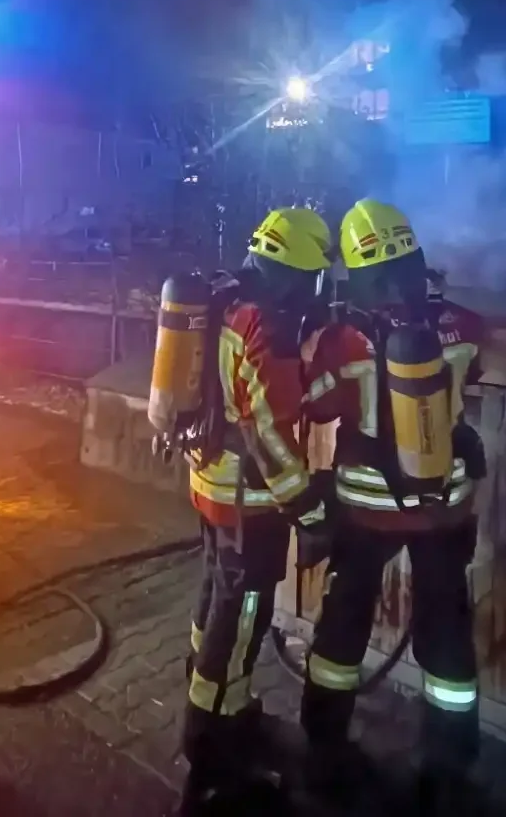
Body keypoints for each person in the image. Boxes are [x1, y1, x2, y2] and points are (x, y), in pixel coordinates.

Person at [299, 199, 486, 810]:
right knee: (446, 637)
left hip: (365, 511)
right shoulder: (461, 325)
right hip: (443, 508)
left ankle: (324, 750)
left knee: (342, 628)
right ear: (414, 257)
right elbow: (475, 368)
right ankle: (447, 770)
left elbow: (318, 405)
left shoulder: (342, 341)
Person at [179, 207, 332, 815]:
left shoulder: (225, 301)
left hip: (210, 483)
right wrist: (310, 513)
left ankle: (223, 700)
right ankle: (213, 749)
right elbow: (269, 436)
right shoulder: (267, 327)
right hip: (250, 503)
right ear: (293, 274)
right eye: (312, 277)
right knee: (241, 617)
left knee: (215, 598)